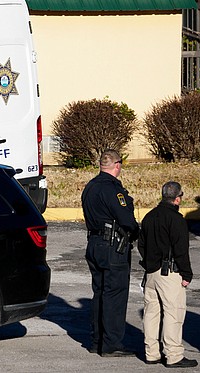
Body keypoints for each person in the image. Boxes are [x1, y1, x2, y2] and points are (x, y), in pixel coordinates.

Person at [81, 149, 139, 357]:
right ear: (117, 165)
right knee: (115, 295)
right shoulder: (113, 190)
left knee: (100, 293)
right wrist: (136, 231)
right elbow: (126, 220)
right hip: (113, 247)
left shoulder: (90, 187)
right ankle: (111, 344)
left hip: (95, 243)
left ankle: (97, 341)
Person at [138, 181, 197, 368]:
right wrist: (186, 274)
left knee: (151, 313)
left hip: (151, 273)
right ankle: (173, 355)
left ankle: (151, 353)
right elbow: (181, 250)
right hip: (170, 273)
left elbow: (141, 245)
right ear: (177, 198)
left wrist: (149, 264)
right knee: (173, 313)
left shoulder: (149, 217)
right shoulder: (176, 220)